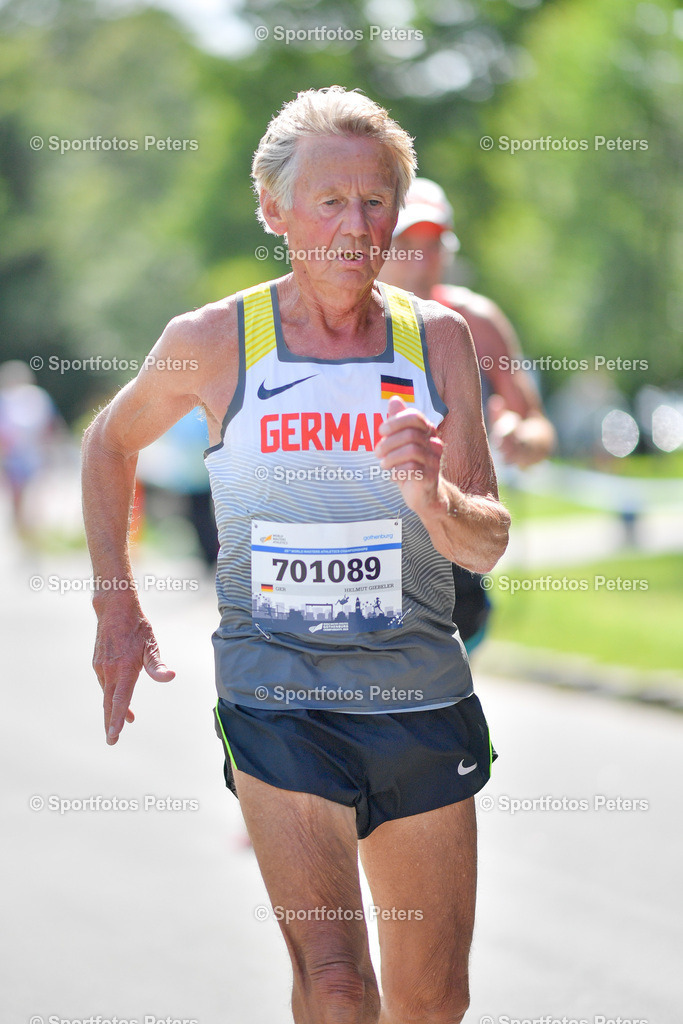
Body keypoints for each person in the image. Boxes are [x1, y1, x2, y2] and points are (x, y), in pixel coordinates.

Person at [82, 87, 510, 1024]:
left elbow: (485, 540)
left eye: (373, 202)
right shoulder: (212, 342)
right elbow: (108, 443)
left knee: (433, 1002)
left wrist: (432, 497)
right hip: (278, 700)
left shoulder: (435, 341)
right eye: (327, 201)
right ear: (273, 210)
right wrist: (118, 609)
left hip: (419, 696)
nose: (354, 227)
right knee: (337, 982)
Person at [380, 177, 555, 652]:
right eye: (406, 244)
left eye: (433, 245)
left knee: (441, 703)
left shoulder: (475, 319)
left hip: (452, 544)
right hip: (367, 548)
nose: (420, 259)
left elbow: (539, 427)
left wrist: (520, 436)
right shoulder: (338, 324)